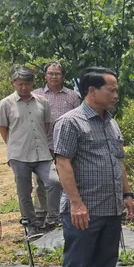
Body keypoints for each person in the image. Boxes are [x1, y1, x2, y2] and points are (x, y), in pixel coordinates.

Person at [53, 67, 134, 267]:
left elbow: (118, 160)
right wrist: (76, 203)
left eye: (116, 90)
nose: (116, 95)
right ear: (92, 91)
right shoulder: (71, 122)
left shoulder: (110, 122)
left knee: (104, 266)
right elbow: (62, 163)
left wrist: (127, 194)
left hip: (111, 209)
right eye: (110, 90)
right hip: (84, 211)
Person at [0, 66, 61, 235]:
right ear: (13, 84)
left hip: (42, 153)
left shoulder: (42, 102)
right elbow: (3, 128)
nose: (23, 88)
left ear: (32, 84)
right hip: (19, 155)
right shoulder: (6, 104)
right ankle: (31, 223)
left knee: (54, 182)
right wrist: (13, 146)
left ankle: (53, 218)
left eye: (27, 84)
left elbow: (46, 126)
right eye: (20, 84)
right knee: (24, 192)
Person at [31, 61, 80, 228]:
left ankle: (63, 211)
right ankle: (41, 213)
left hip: (67, 145)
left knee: (67, 178)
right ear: (45, 75)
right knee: (41, 182)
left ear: (63, 77)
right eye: (50, 73)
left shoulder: (72, 96)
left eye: (57, 74)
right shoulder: (36, 95)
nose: (53, 76)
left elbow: (79, 118)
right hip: (43, 144)